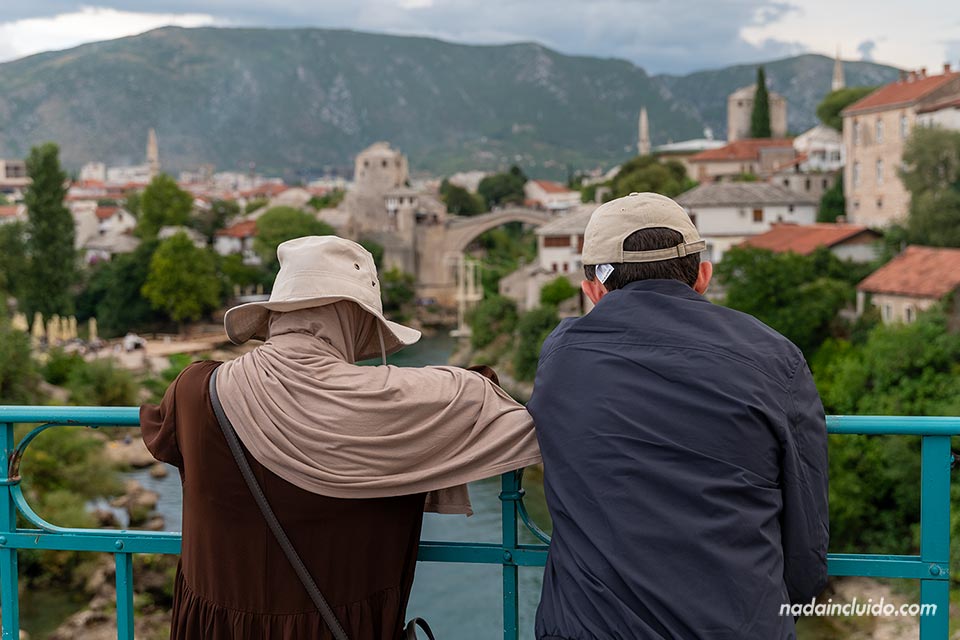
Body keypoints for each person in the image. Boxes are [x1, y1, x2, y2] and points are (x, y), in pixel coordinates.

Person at [141, 235, 541, 640]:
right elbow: (473, 396)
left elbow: (162, 435)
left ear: (275, 315)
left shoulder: (194, 391)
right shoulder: (390, 406)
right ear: (354, 319)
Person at [527, 193, 829, 639]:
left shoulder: (560, 357)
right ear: (703, 275)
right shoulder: (775, 357)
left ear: (592, 288)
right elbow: (806, 532)